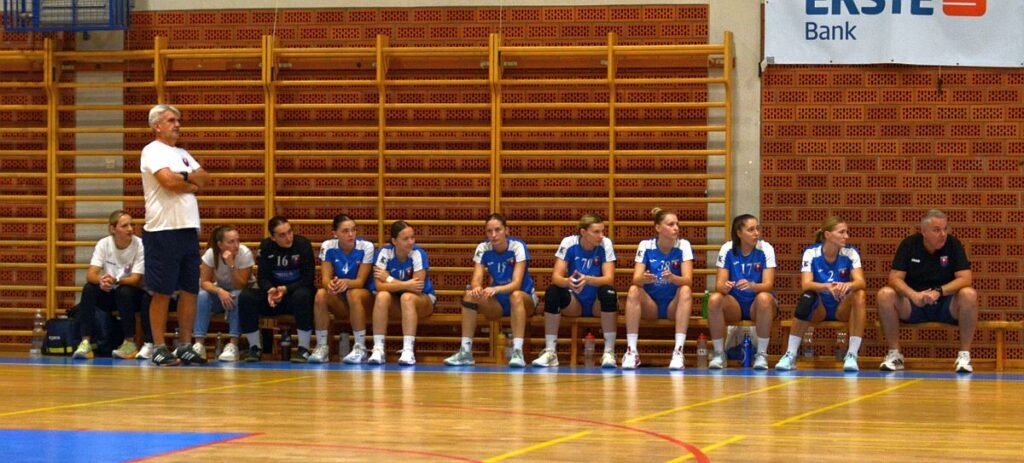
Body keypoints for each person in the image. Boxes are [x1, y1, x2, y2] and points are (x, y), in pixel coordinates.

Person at [141, 104, 209, 366]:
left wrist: (184, 177)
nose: (177, 125)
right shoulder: (152, 150)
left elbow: (204, 179)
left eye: (178, 120)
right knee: (162, 290)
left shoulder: (183, 154)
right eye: (171, 120)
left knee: (190, 289)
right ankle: (159, 346)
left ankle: (184, 344)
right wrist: (188, 181)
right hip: (162, 231)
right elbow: (168, 182)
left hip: (188, 229)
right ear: (157, 126)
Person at [877, 209, 977, 373]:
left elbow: (966, 278)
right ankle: (895, 355)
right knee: (885, 294)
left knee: (969, 294)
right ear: (924, 231)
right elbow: (894, 278)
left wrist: (939, 291)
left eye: (945, 229)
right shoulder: (909, 244)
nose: (942, 234)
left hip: (945, 304)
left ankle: (964, 356)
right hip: (915, 304)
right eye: (937, 230)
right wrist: (913, 295)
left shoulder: (953, 244)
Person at [444, 213, 538, 368]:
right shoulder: (483, 248)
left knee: (515, 296)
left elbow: (516, 284)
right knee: (469, 296)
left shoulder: (517, 247)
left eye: (498, 230)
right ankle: (465, 351)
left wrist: (496, 288)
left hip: (523, 298)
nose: (493, 235)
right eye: (489, 231)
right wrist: (477, 288)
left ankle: (517, 352)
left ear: (506, 230)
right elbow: (476, 278)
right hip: (499, 302)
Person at [775, 217, 866, 372]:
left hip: (841, 308)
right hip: (819, 308)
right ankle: (790, 354)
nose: (846, 236)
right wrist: (826, 287)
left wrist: (847, 285)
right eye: (842, 232)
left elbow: (861, 281)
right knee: (807, 296)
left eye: (847, 232)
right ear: (828, 235)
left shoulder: (850, 253)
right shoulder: (811, 253)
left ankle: (851, 355)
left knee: (860, 294)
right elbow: (806, 284)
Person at [532, 213, 618, 368]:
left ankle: (609, 353)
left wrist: (589, 279)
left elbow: (609, 278)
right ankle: (550, 352)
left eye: (602, 231)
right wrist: (568, 282)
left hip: (596, 303)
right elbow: (556, 277)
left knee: (608, 292)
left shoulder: (605, 244)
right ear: (583, 232)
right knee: (553, 291)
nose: (601, 235)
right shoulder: (569, 243)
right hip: (575, 302)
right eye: (596, 232)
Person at [621, 208, 694, 370]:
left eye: (677, 224)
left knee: (685, 290)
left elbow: (688, 280)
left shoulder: (683, 245)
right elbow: (636, 279)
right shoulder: (645, 246)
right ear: (658, 228)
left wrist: (673, 278)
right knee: (633, 289)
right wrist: (644, 278)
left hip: (673, 306)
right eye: (671, 224)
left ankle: (678, 351)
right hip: (651, 306)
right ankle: (631, 351)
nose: (676, 228)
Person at [238, 216, 316, 362]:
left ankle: (304, 348)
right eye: (282, 235)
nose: (288, 237)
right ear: (273, 237)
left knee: (303, 295)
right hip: (273, 297)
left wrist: (286, 289)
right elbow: (262, 277)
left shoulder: (303, 244)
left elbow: (308, 278)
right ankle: (254, 347)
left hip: (295, 295)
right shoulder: (266, 246)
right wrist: (270, 290)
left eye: (290, 232)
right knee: (246, 297)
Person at [72, 210, 147, 359]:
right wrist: (102, 280)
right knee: (89, 289)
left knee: (123, 291)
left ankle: (129, 343)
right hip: (111, 292)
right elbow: (91, 274)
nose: (130, 229)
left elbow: (135, 279)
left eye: (131, 225)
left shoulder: (140, 245)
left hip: (132, 294)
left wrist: (116, 280)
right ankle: (85, 342)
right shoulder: (104, 244)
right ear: (113, 229)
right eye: (124, 226)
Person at [707, 214, 777, 370]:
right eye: (751, 230)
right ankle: (719, 354)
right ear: (739, 233)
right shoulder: (727, 249)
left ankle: (761, 354)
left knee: (764, 298)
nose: (756, 233)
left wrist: (753, 286)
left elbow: (768, 285)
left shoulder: (765, 249)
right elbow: (719, 285)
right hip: (735, 304)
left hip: (756, 304)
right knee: (714, 299)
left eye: (757, 229)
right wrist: (725, 287)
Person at [308, 214, 375, 364]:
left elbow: (360, 281)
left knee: (353, 293)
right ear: (335, 233)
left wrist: (346, 283)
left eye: (353, 230)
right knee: (320, 294)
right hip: (341, 298)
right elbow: (325, 279)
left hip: (363, 298)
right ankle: (322, 346)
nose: (351, 234)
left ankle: (360, 347)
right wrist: (331, 285)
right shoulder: (328, 246)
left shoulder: (366, 247)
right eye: (345, 231)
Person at [368, 221, 436, 366]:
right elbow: (379, 286)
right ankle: (378, 348)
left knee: (407, 297)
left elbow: (417, 287)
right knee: (382, 296)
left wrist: (389, 279)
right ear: (394, 241)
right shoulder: (384, 253)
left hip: (422, 300)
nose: (410, 242)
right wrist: (405, 284)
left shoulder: (418, 253)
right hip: (396, 301)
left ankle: (408, 350)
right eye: (405, 239)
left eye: (412, 237)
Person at [191, 225, 255, 362]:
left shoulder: (245, 254)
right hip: (221, 293)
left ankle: (233, 345)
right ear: (220, 244)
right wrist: (219, 291)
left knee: (237, 294)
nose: (236, 245)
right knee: (202, 295)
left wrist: (231, 265)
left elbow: (239, 285)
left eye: (237, 241)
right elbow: (204, 282)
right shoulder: (211, 254)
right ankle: (199, 344)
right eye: (231, 242)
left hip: (240, 295)